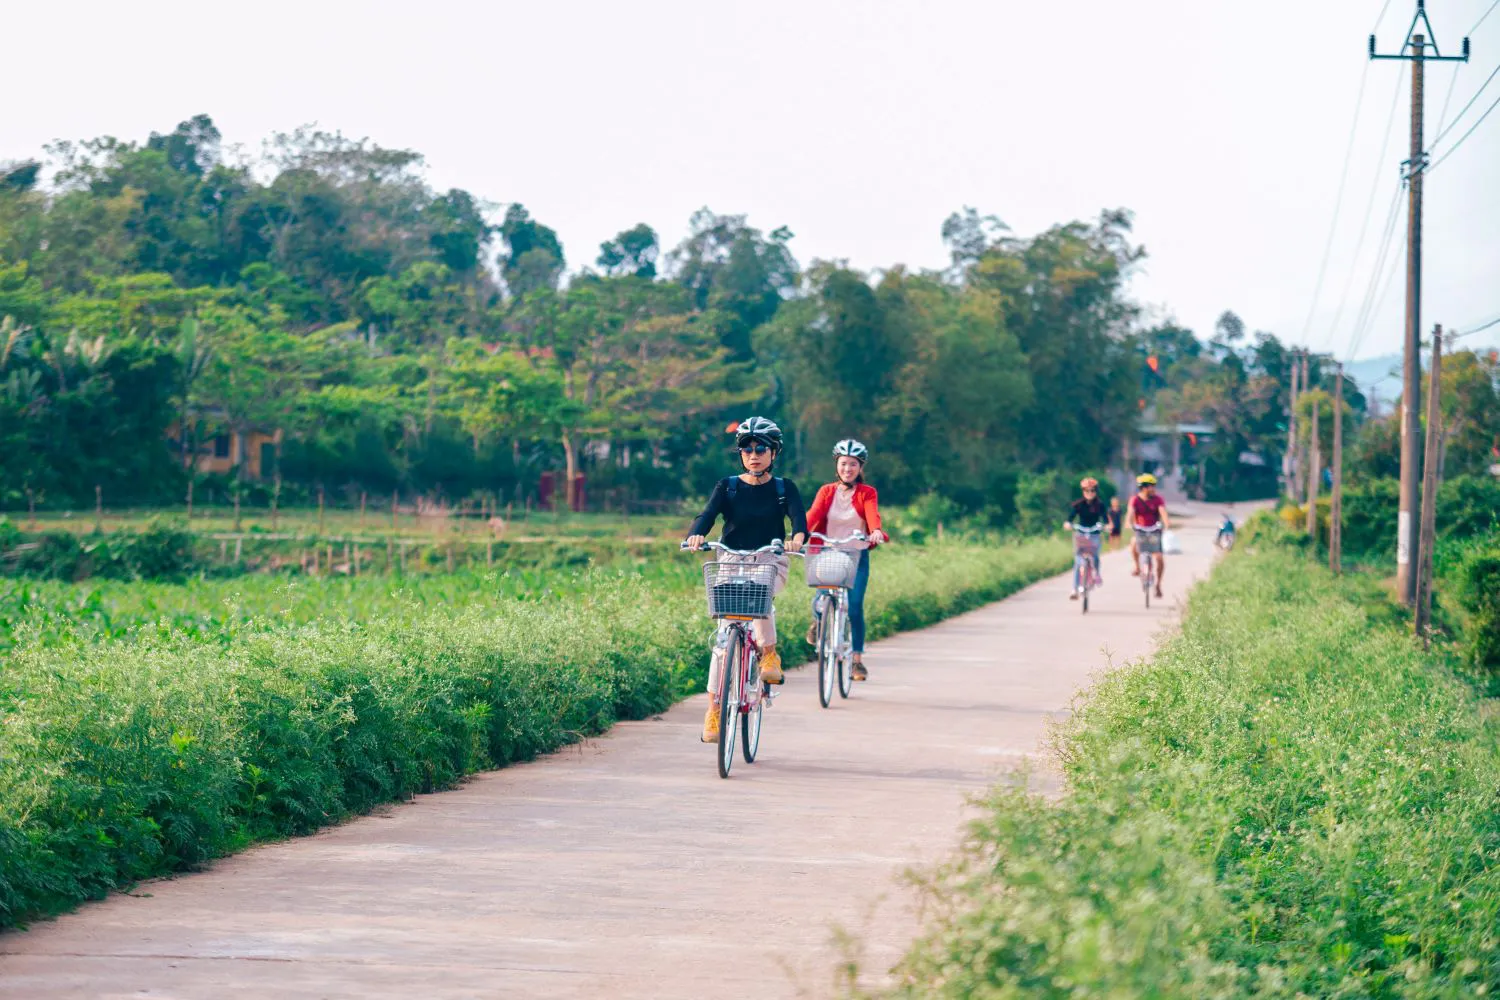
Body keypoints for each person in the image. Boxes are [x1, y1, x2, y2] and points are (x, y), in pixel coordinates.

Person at [685, 417, 807, 742]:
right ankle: (713, 711)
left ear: (773, 452)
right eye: (747, 448)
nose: (754, 454)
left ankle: (769, 653)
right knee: (723, 644)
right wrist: (696, 535)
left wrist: (797, 537)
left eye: (761, 448)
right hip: (730, 560)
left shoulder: (784, 488)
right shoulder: (728, 486)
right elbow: (707, 514)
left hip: (770, 559)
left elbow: (798, 517)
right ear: (740, 453)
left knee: (760, 597)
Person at [803, 438, 888, 681]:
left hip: (856, 555)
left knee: (855, 606)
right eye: (843, 464)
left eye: (853, 464)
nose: (847, 469)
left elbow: (872, 515)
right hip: (828, 553)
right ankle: (818, 622)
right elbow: (813, 515)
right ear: (836, 465)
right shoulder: (826, 491)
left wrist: (875, 531)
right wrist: (799, 533)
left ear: (860, 467)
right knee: (821, 601)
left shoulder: (867, 492)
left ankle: (857, 662)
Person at [1063, 477, 1108, 600]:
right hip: (1081, 533)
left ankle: (1097, 574)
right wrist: (1068, 524)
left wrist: (1107, 526)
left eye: (1092, 490)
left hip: (1094, 533)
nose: (1090, 493)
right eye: (1087, 491)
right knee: (1078, 561)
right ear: (1083, 491)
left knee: (1095, 556)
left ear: (1096, 491)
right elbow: (1070, 518)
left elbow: (1105, 519)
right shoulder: (1078, 504)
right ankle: (1074, 589)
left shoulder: (1100, 505)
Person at [1126, 473, 1170, 598]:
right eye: (1151, 486)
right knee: (1133, 544)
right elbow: (1130, 514)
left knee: (1159, 558)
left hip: (1154, 531)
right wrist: (1129, 524)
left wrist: (1166, 524)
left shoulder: (1158, 499)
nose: (1153, 489)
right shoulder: (1135, 499)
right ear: (1143, 487)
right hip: (1140, 530)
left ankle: (1158, 585)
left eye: (1153, 486)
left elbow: (1163, 513)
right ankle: (1137, 567)